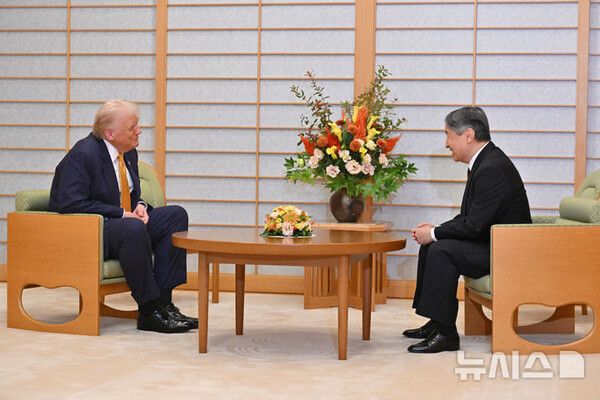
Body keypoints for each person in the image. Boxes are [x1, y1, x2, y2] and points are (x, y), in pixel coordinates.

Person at [49, 99, 197, 334]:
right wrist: (121, 213)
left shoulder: (128, 153)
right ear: (110, 133)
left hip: (121, 227)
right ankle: (149, 310)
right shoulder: (83, 154)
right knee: (133, 228)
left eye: (138, 125)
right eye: (132, 127)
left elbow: (129, 194)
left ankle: (163, 304)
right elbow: (70, 203)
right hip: (93, 231)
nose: (139, 131)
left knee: (175, 215)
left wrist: (140, 207)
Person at [405, 106, 531, 353]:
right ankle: (437, 321)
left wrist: (434, 233)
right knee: (432, 245)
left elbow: (473, 225)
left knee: (441, 250)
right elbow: (471, 218)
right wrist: (435, 231)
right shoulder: (485, 160)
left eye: (448, 135)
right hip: (490, 241)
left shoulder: (492, 167)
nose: (446, 144)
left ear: (468, 135)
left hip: (505, 251)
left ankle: (446, 335)